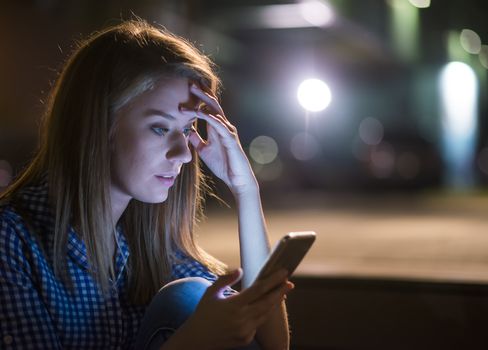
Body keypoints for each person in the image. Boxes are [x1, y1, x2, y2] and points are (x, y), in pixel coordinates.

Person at [0, 19, 293, 349]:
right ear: (100, 125)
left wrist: (244, 189)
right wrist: (191, 342)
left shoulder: (145, 243)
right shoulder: (11, 241)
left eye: (186, 130)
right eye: (159, 128)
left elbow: (271, 346)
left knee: (189, 295)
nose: (183, 153)